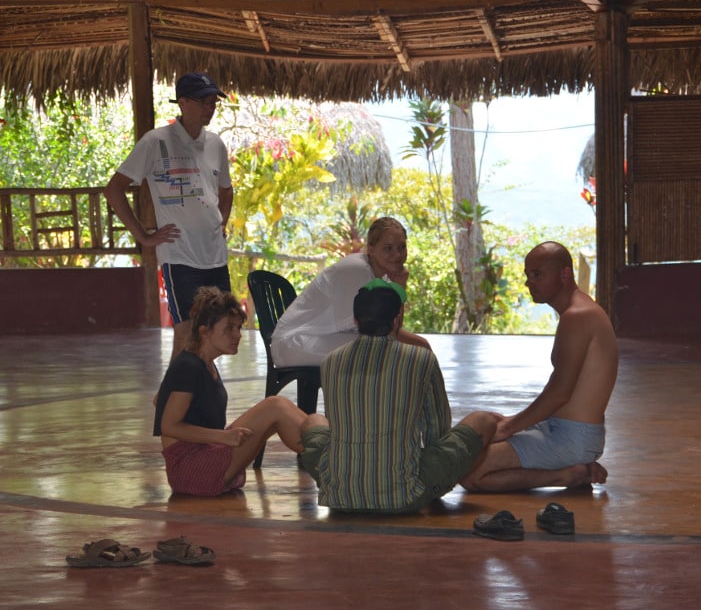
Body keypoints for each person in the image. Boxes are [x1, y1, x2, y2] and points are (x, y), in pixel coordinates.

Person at [298, 278, 503, 514]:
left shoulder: (331, 361)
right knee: (483, 420)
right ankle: (430, 489)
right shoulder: (421, 358)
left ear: (356, 320)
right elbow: (436, 431)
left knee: (313, 421)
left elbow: (336, 428)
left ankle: (349, 483)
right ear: (397, 320)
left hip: (339, 494)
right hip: (403, 497)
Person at [459, 241, 618, 492]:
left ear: (565, 274)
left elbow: (560, 392)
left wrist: (509, 427)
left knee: (469, 474)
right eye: (527, 275)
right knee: (483, 427)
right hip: (561, 429)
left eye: (537, 274)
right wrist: (510, 422)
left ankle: (566, 476)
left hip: (573, 439)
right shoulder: (578, 311)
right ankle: (569, 468)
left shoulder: (578, 316)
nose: (529, 282)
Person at [104, 71, 234, 368]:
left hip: (215, 255)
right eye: (203, 102)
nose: (210, 107)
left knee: (217, 331)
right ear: (183, 103)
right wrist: (143, 236)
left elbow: (226, 191)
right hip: (180, 256)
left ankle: (193, 395)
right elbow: (114, 189)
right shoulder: (156, 142)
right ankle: (170, 400)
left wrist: (221, 222)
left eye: (214, 102)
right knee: (188, 330)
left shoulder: (216, 144)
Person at [154, 286, 308, 496]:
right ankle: (332, 454)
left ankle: (327, 450)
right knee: (274, 406)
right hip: (189, 468)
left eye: (238, 327)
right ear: (204, 331)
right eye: (229, 328)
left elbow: (161, 400)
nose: (237, 335)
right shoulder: (187, 366)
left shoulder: (204, 364)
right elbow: (169, 426)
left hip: (203, 455)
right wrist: (223, 437)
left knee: (275, 411)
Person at [270, 216, 430, 368]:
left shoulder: (384, 276)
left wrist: (422, 343)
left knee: (418, 347)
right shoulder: (357, 270)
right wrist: (399, 289)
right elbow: (387, 333)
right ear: (371, 250)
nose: (398, 255)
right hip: (294, 343)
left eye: (402, 247)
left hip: (325, 337)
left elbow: (391, 328)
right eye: (388, 248)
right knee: (383, 351)